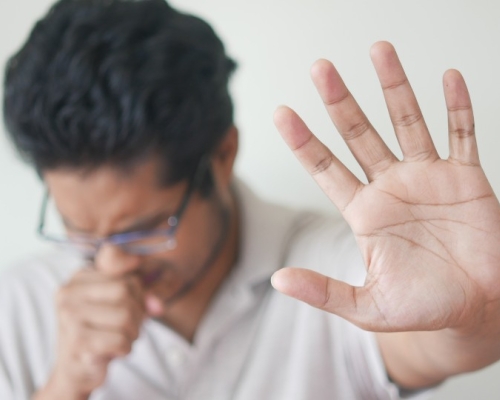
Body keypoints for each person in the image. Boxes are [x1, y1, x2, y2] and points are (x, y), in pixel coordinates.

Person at [1, 0, 500, 399]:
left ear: (223, 155)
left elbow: (435, 345)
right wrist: (65, 388)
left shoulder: (340, 266)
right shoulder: (16, 308)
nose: (110, 264)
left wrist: (477, 313)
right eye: (80, 231)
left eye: (146, 228)